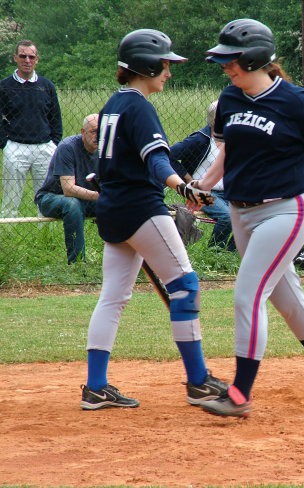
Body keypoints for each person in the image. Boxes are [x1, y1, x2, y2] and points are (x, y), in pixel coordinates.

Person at [193, 18, 304, 418]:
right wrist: (203, 185)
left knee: (248, 293)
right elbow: (227, 153)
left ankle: (240, 393)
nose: (225, 65)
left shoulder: (296, 101)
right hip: (241, 213)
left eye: (232, 59)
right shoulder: (230, 99)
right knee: (286, 299)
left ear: (256, 58)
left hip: (285, 211)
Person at [80, 29, 227, 410]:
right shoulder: (139, 106)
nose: (169, 72)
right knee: (186, 286)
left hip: (112, 209)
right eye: (164, 64)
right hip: (139, 208)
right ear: (145, 64)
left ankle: (95, 386)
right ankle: (198, 382)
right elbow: (157, 159)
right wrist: (183, 187)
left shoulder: (114, 103)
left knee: (112, 297)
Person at [0, 40, 62, 218]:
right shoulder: (4, 86)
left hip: (44, 147)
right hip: (15, 146)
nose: (27, 60)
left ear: (37, 59)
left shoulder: (47, 86)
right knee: (11, 196)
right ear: (15, 58)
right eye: (23, 56)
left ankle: (45, 232)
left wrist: (54, 143)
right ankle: (8, 230)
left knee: (46, 195)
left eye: (31, 56)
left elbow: (55, 117)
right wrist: (5, 143)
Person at [170, 101, 235, 251]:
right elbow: (168, 156)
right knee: (227, 217)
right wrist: (188, 179)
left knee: (247, 215)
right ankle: (216, 252)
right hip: (202, 192)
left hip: (229, 192)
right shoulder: (200, 140)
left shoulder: (233, 140)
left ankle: (230, 252)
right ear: (215, 120)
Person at [35, 114, 100, 264]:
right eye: (94, 131)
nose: (99, 136)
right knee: (72, 204)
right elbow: (68, 189)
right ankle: (77, 264)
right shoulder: (67, 147)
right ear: (83, 132)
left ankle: (125, 261)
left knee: (122, 203)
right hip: (52, 197)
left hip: (86, 198)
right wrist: (100, 196)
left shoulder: (107, 150)